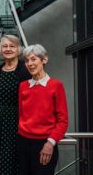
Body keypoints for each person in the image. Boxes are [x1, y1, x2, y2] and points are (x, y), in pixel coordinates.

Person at [0, 35, 30, 175]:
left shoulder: (25, 71)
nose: (8, 49)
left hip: (15, 124)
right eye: (5, 46)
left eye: (12, 46)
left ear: (18, 49)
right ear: (0, 49)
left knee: (11, 162)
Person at [18, 44, 68, 175]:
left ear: (44, 60)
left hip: (45, 144)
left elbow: (63, 121)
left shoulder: (56, 86)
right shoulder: (23, 86)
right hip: (23, 143)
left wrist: (50, 143)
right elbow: (21, 115)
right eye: (27, 60)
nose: (29, 63)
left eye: (33, 59)